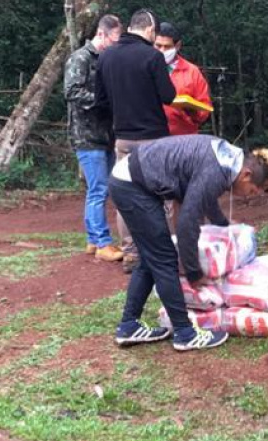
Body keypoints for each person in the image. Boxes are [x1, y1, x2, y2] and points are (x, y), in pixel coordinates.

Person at [108, 135, 268, 351]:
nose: (249, 197)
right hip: (132, 185)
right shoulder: (218, 169)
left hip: (132, 180)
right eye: (253, 191)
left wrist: (224, 226)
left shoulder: (228, 160)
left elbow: (203, 197)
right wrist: (194, 272)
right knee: (164, 258)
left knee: (151, 256)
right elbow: (186, 224)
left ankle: (129, 325)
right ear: (246, 175)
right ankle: (184, 332)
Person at [95, 9, 176, 272]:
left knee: (127, 198)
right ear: (150, 30)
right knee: (162, 197)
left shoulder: (106, 57)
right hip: (154, 140)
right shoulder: (153, 56)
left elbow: (100, 102)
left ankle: (130, 253)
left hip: (124, 139)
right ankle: (162, 251)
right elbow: (168, 96)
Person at [64, 14, 124, 262]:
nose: (117, 44)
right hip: (86, 135)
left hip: (106, 134)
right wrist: (101, 99)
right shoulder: (80, 58)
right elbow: (71, 91)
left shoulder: (107, 60)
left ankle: (92, 239)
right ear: (102, 34)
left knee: (101, 189)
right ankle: (102, 243)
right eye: (115, 39)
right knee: (98, 189)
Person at [154, 22, 212, 136]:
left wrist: (192, 111)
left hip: (183, 139)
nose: (162, 50)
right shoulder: (144, 67)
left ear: (177, 45)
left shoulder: (192, 72)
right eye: (158, 45)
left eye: (167, 46)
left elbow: (205, 109)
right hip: (151, 137)